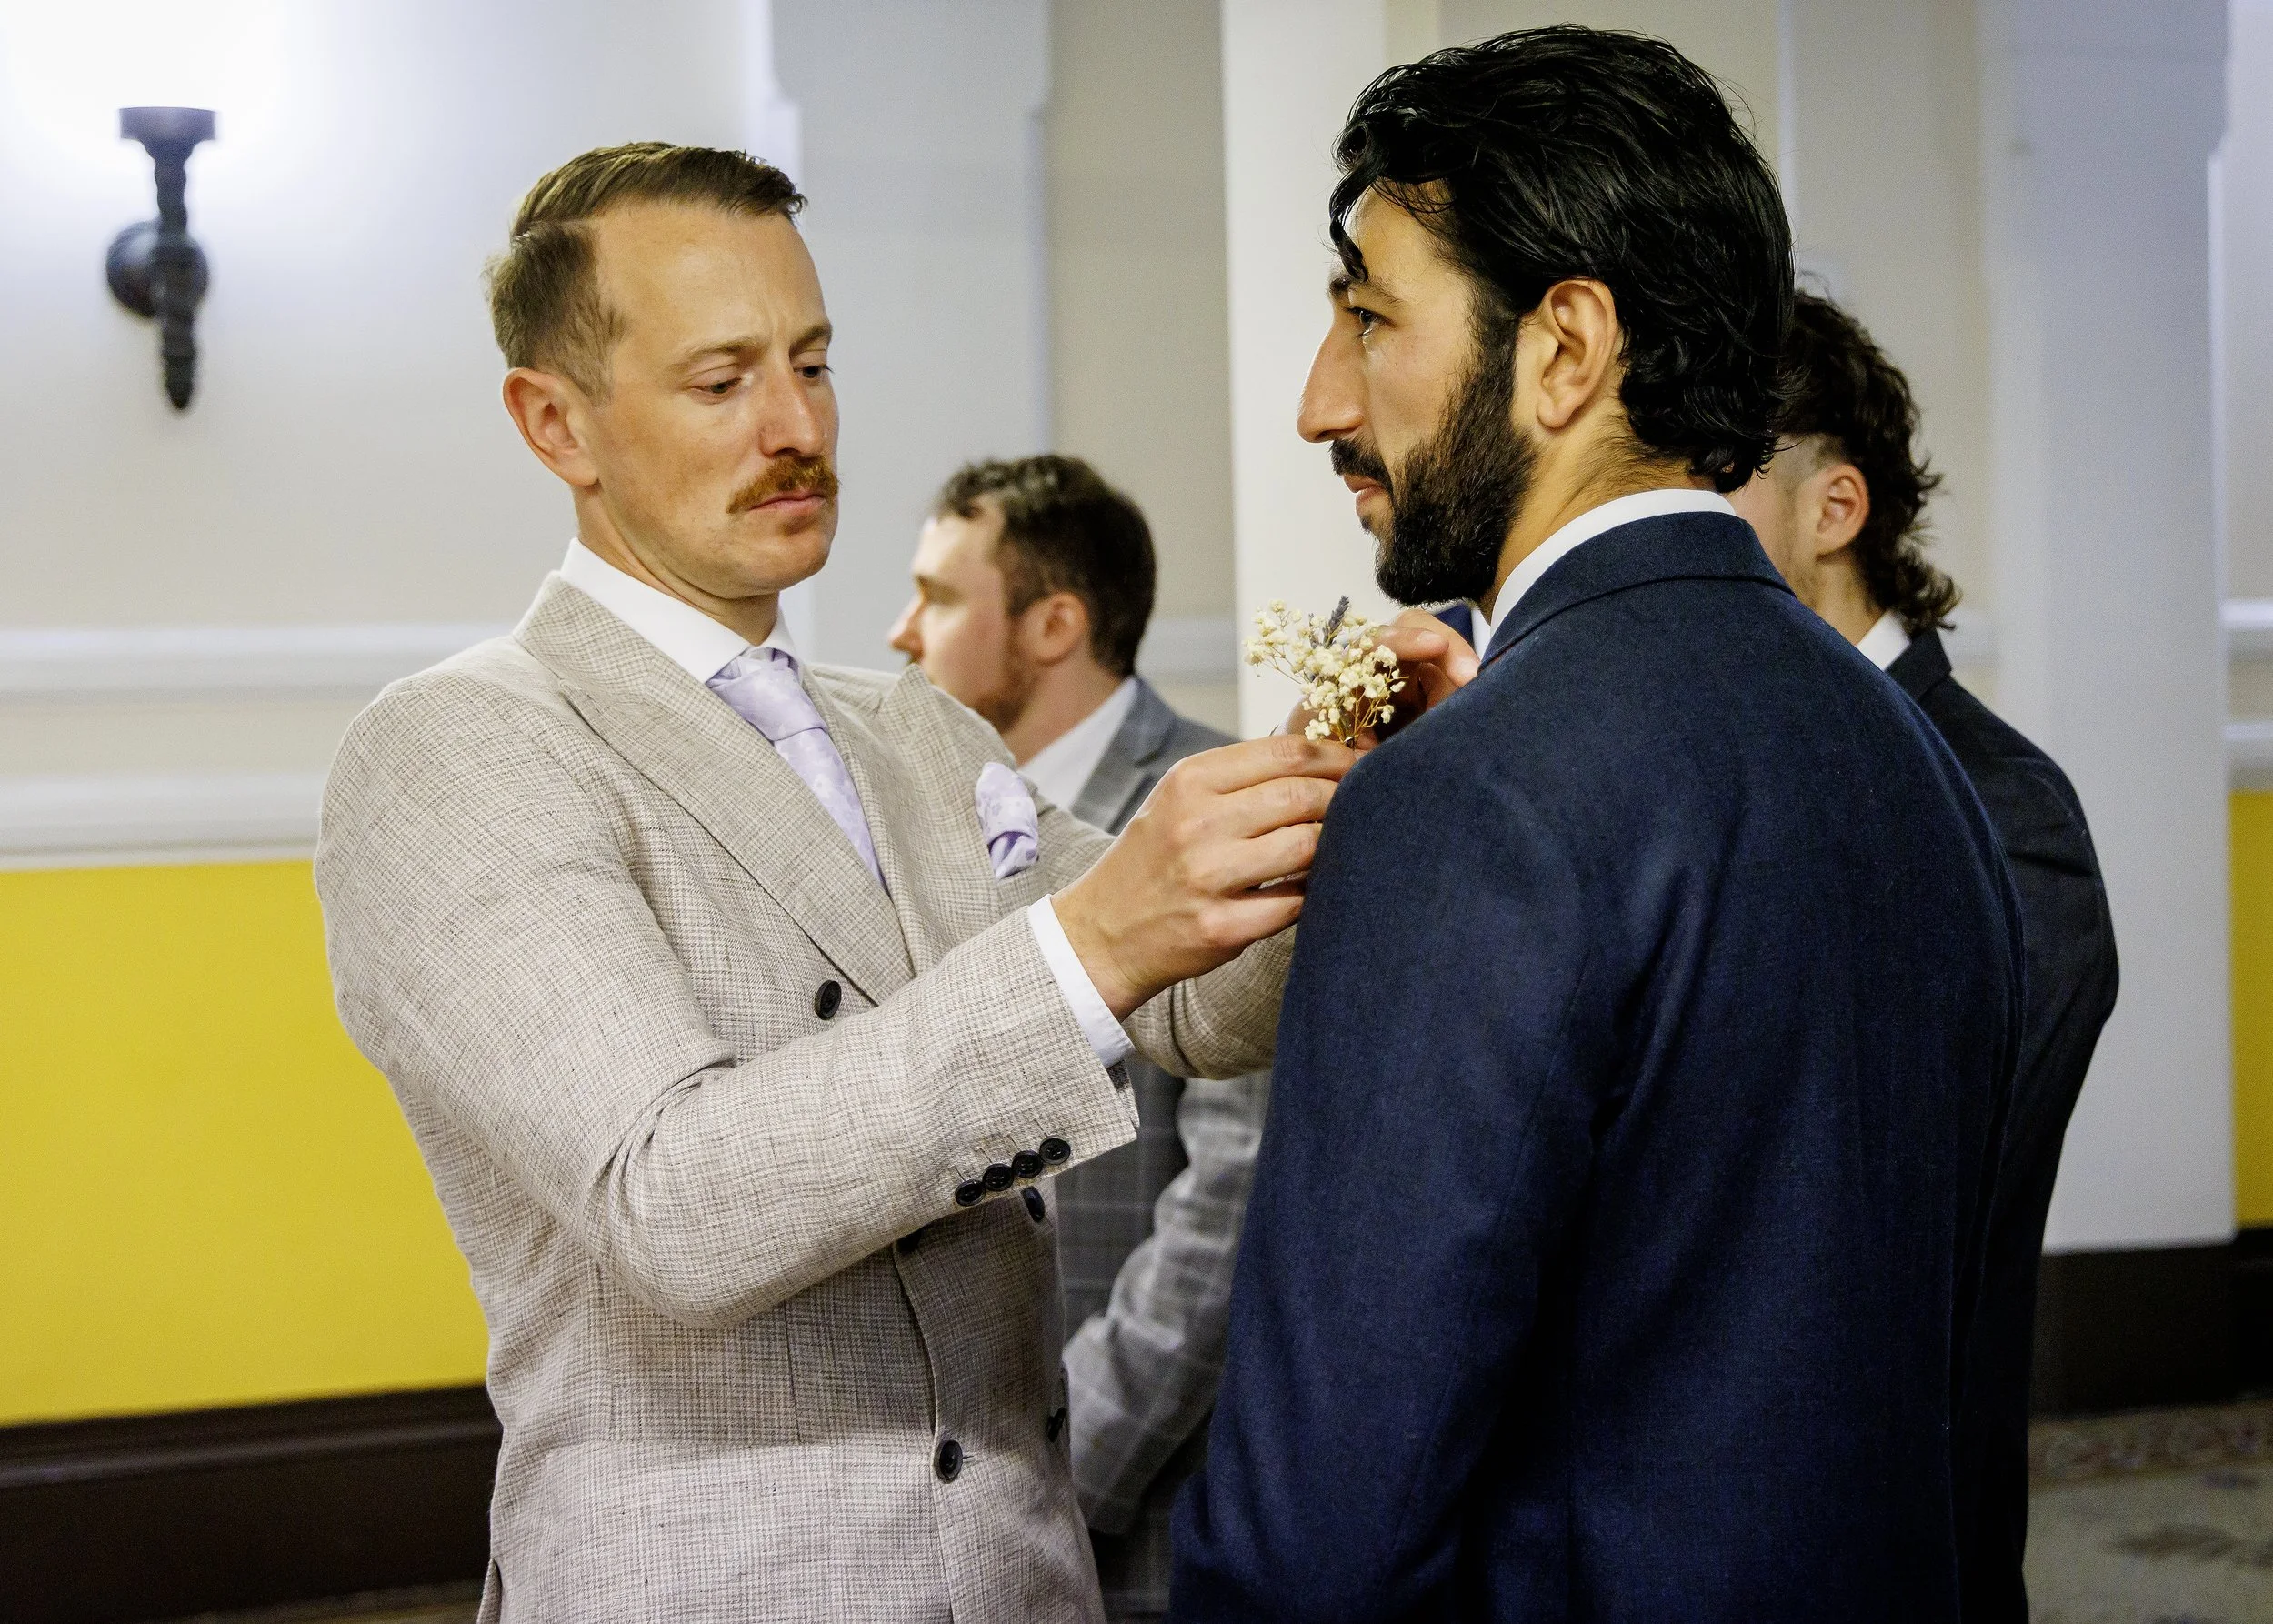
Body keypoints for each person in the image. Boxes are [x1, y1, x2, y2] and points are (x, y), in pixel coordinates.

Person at [313, 143, 1448, 1624]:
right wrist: (1087, 946)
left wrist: (1331, 776)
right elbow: (674, 1204)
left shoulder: (912, 729)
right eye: (721, 381)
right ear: (555, 423)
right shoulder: (462, 746)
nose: (796, 427)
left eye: (813, 363)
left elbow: (1201, 1012)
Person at [1171, 29, 2021, 1621]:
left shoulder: (1470, 797)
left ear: (1564, 349)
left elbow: (1316, 1525)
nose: (1319, 401)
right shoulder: (1909, 756)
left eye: (1370, 316)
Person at [1729, 289, 2119, 1623]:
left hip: (1889, 1527)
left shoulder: (2006, 810)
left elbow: (1921, 1200)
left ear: (1833, 509)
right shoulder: (1722, 771)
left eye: (1708, 488)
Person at [889, 454, 1265, 1621]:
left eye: (937, 597)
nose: (900, 632)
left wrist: (1056, 1474)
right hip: (938, 1500)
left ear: (1054, 625)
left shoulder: (1213, 811)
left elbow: (1231, 1202)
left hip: (1135, 1503)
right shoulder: (920, 820)